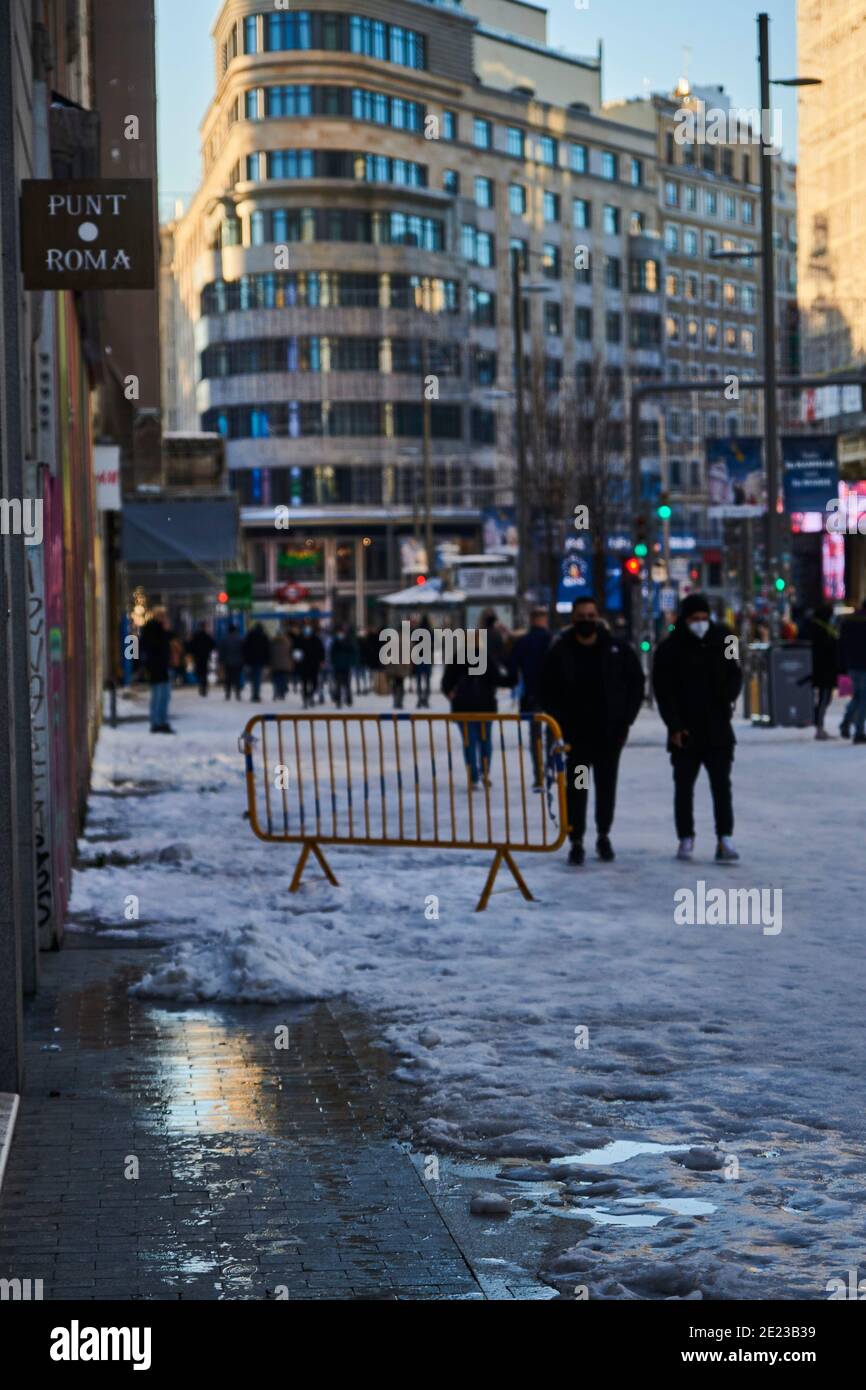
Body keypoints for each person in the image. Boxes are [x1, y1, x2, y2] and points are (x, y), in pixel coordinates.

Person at [540, 597, 643, 866]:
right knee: (579, 788)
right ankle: (577, 839)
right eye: (582, 616)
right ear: (573, 620)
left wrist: (625, 721)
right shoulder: (561, 651)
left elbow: (636, 684)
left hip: (609, 738)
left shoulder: (616, 649)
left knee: (606, 788)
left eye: (591, 615)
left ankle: (603, 834)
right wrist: (559, 723)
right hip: (577, 740)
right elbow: (546, 688)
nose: (587, 620)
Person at [652, 592, 742, 863]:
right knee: (683, 787)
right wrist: (674, 725)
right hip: (686, 730)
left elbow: (735, 672)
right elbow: (663, 690)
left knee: (721, 786)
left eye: (704, 618)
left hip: (718, 727)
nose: (700, 623)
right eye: (694, 619)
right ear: (685, 619)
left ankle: (724, 836)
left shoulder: (727, 639)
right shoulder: (669, 648)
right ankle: (686, 837)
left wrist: (726, 697)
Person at [442, 643, 516, 787]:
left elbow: (446, 681)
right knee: (485, 741)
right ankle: (484, 773)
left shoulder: (458, 658)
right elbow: (499, 679)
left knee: (470, 742)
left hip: (463, 707)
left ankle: (474, 776)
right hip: (485, 707)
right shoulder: (485, 658)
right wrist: (513, 676)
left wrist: (451, 693)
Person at [509, 606, 553, 788]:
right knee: (552, 733)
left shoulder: (523, 642)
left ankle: (538, 773)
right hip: (551, 696)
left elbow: (512, 667)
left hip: (531, 696)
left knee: (535, 737)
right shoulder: (552, 640)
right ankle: (550, 768)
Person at [804, 603, 839, 740]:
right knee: (824, 699)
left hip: (822, 670)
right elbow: (828, 649)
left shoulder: (816, 627)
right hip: (824, 670)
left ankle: (819, 725)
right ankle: (819, 728)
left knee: (823, 699)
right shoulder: (822, 629)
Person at [140, 606, 175, 734]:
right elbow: (155, 646)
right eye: (162, 615)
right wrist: (165, 631)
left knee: (165, 696)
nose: (164, 618)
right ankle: (156, 722)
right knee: (158, 695)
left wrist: (166, 631)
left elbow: (171, 639)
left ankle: (162, 721)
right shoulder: (152, 629)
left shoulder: (161, 629)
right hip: (156, 667)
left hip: (164, 667)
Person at [838, 597, 866, 742]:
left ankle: (846, 723)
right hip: (864, 664)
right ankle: (859, 731)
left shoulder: (848, 621)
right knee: (863, 699)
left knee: (857, 696)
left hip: (852, 664)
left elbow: (841, 643)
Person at [242, 622, 271, 702]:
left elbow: (245, 648)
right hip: (260, 660)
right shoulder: (264, 636)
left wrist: (246, 659)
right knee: (257, 677)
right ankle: (256, 695)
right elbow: (267, 649)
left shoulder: (250, 635)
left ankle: (254, 694)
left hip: (251, 660)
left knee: (253, 677)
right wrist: (267, 661)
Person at [299, 623, 325, 708]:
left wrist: (322, 660)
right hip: (304, 665)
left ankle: (310, 696)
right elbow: (296, 650)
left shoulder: (316, 640)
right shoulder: (301, 640)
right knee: (304, 683)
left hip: (314, 665)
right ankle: (305, 699)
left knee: (314, 683)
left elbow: (321, 651)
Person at [330, 625, 355, 707]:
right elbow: (332, 654)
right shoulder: (335, 642)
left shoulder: (348, 642)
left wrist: (350, 661)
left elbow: (352, 652)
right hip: (338, 666)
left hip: (346, 666)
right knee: (338, 684)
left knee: (347, 684)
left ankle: (348, 700)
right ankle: (339, 700)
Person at [187, 623, 215, 697]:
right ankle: (204, 687)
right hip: (205, 657)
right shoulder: (207, 636)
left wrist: (192, 653)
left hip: (197, 657)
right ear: (205, 627)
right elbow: (213, 645)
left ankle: (201, 686)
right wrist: (208, 651)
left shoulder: (196, 636)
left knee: (199, 671)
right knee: (204, 672)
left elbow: (191, 646)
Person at [218, 624, 245, 701]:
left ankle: (228, 693)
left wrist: (221, 660)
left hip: (227, 662)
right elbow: (243, 650)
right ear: (235, 630)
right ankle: (238, 694)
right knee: (237, 678)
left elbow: (221, 651)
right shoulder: (240, 639)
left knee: (228, 678)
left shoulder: (224, 639)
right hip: (238, 661)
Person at [269, 625, 292, 701]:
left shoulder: (272, 642)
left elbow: (269, 653)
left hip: (275, 664)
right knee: (284, 679)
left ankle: (276, 691)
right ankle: (282, 692)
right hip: (285, 664)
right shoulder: (287, 642)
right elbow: (290, 653)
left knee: (276, 679)